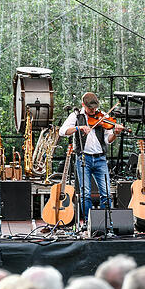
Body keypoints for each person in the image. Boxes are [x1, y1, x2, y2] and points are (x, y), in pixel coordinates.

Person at [59, 92, 125, 222]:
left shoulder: (102, 116)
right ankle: (89, 223)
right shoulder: (76, 116)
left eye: (95, 108)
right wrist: (79, 127)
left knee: (106, 193)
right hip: (83, 158)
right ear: (83, 105)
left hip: (100, 158)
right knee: (85, 194)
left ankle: (105, 222)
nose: (93, 111)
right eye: (90, 109)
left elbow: (108, 140)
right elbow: (62, 131)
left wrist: (115, 134)